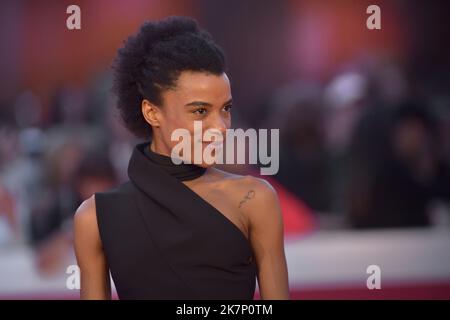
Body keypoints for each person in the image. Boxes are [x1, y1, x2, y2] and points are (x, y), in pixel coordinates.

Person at [73, 16, 289, 300]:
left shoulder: (255, 200)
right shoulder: (94, 218)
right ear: (152, 113)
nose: (221, 127)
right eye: (200, 111)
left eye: (225, 109)